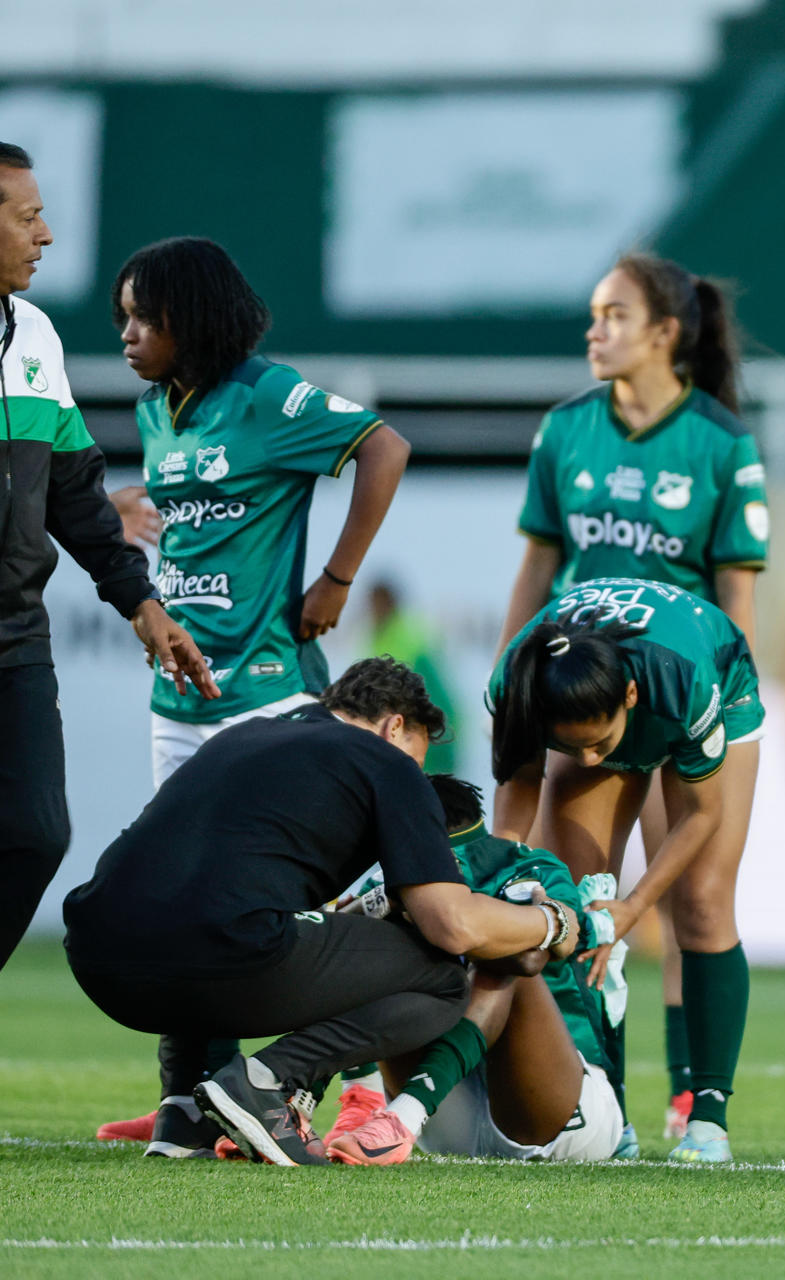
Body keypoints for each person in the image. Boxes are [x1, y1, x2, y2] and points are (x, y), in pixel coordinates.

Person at [91, 236, 412, 1150]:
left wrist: (338, 578)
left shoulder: (269, 395)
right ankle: (189, 1103)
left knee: (299, 899)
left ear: (190, 316)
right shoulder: (157, 410)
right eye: (121, 317)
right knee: (182, 902)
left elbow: (384, 448)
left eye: (142, 317)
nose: (126, 334)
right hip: (177, 705)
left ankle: (324, 1089)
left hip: (266, 695)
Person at [62, 658, 577, 1166]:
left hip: (96, 954)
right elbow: (453, 925)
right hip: (219, 951)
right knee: (442, 979)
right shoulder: (389, 763)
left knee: (213, 908)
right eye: (418, 759)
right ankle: (266, 1082)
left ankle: (182, 1111)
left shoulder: (240, 737)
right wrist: (552, 921)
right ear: (394, 727)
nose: (418, 776)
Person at [496, 252, 767, 1142]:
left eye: (614, 315)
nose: (595, 331)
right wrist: (517, 683)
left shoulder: (721, 442)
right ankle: (603, 1107)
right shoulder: (566, 429)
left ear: (665, 333)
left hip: (685, 689)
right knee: (581, 898)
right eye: (593, 314)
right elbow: (538, 566)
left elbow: (737, 595)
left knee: (696, 902)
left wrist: (720, 709)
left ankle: (699, 1108)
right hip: (583, 690)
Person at [0, 143, 216, 975]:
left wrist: (142, 602)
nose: (46, 235)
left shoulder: (35, 336)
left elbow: (74, 491)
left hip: (15, 639)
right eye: (28, 217)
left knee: (35, 832)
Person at [490, 576, 763, 1163]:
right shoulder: (519, 683)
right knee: (575, 910)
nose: (591, 761)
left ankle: (708, 1118)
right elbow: (518, 790)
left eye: (600, 743)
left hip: (713, 678)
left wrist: (635, 908)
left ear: (630, 697)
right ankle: (608, 1113)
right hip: (601, 692)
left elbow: (702, 813)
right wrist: (504, 868)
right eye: (573, 749)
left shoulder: (682, 678)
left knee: (702, 904)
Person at [326, 776, 623, 1165]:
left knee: (504, 958)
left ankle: (403, 1114)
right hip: (447, 1110)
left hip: (553, 1115)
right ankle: (356, 1103)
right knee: (364, 948)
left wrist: (439, 924)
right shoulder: (387, 879)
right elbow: (335, 955)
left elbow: (529, 961)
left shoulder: (529, 865)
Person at [367, 579, 459, 773]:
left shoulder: (412, 639)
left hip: (424, 741)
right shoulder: (372, 638)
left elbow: (435, 698)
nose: (374, 610)